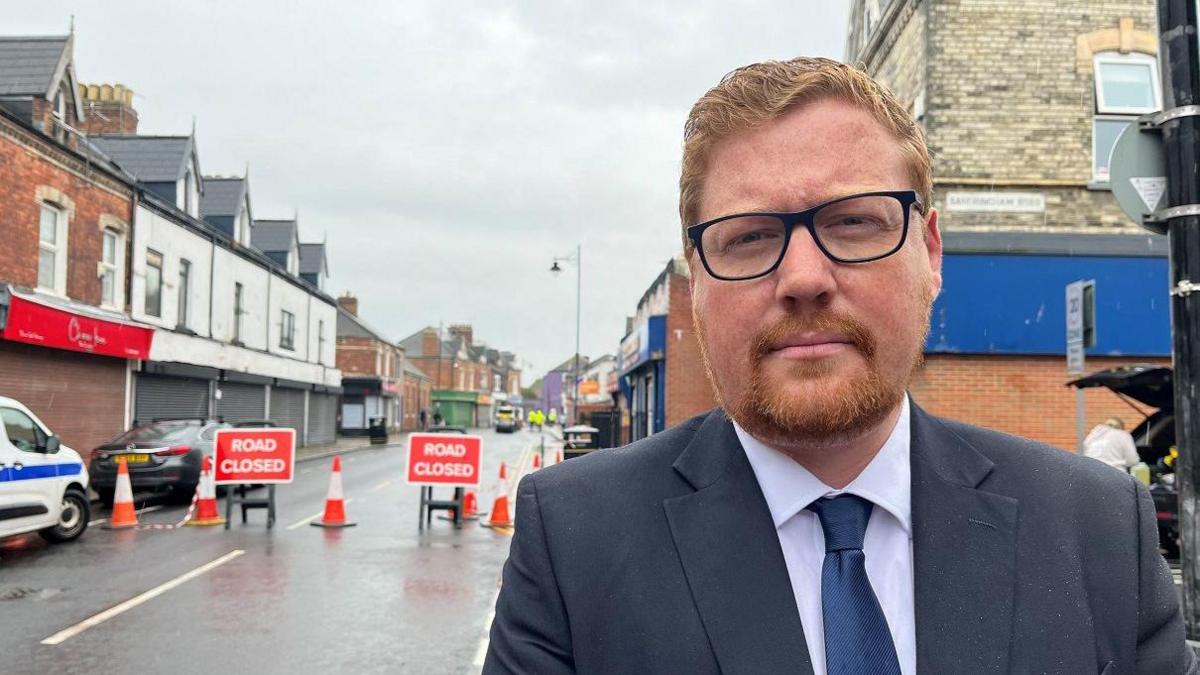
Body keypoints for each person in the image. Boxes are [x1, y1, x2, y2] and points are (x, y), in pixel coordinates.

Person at [485, 57, 1193, 674]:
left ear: (932, 251)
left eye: (853, 221)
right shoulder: (573, 541)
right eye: (751, 235)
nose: (802, 276)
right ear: (696, 281)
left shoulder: (1097, 530)